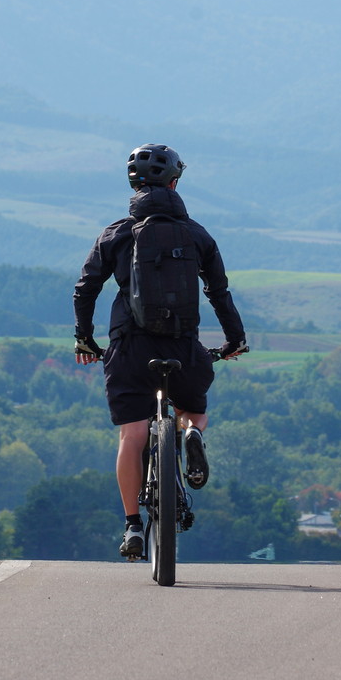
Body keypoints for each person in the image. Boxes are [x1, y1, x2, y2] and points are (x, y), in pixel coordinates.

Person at [73, 143, 247, 560]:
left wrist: (85, 338)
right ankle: (190, 434)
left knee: (132, 433)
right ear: (175, 182)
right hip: (183, 345)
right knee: (195, 410)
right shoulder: (198, 234)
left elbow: (86, 289)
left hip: (130, 346)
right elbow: (219, 292)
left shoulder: (115, 233)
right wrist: (234, 340)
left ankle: (133, 525)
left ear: (134, 185)